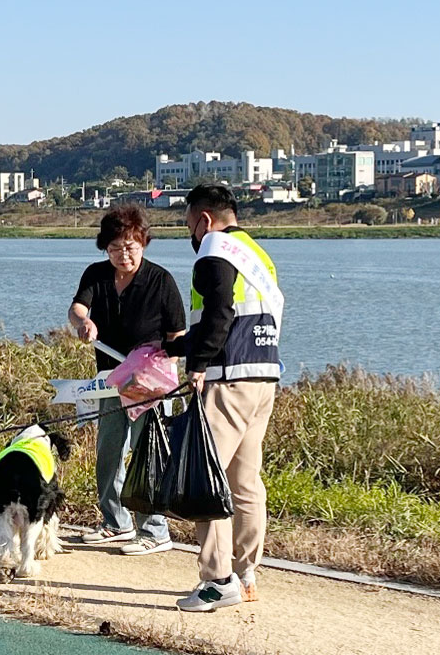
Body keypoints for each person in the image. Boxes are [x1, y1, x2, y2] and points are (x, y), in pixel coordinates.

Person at [164, 183, 282, 612]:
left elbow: (219, 314)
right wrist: (171, 347)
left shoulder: (214, 249)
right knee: (245, 482)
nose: (190, 234)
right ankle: (247, 573)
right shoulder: (257, 253)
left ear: (205, 219)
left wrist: (197, 364)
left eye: (188, 224)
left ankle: (217, 580)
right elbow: (236, 317)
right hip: (263, 376)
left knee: (204, 479)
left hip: (227, 377)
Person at [69, 204, 185, 555]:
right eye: (116, 247)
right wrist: (82, 323)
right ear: (106, 248)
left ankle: (154, 529)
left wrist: (160, 364)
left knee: (148, 454)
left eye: (131, 247)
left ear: (144, 244)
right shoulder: (96, 274)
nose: (123, 255)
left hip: (149, 382)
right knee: (108, 451)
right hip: (108, 379)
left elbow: (178, 335)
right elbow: (76, 309)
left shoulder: (161, 280)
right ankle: (114, 522)